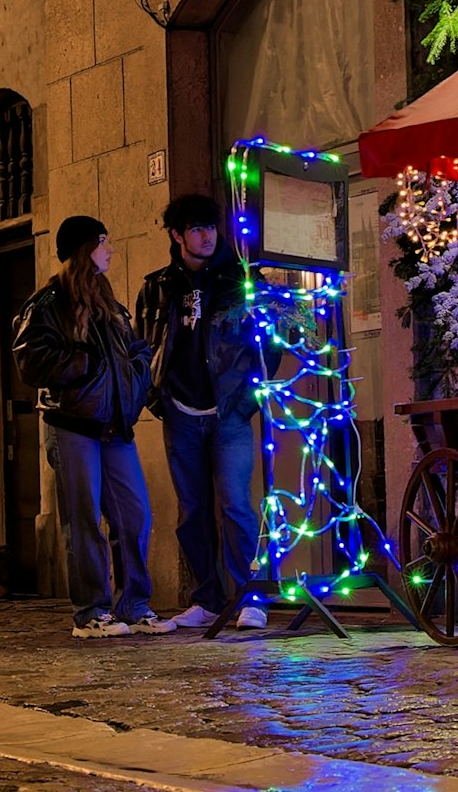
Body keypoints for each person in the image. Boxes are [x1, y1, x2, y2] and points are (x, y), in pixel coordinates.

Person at [17, 216, 159, 640]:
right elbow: (31, 359)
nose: (111, 249)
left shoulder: (109, 302)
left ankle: (134, 604)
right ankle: (91, 612)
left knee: (135, 516)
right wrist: (90, 367)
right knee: (82, 520)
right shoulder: (47, 304)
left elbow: (135, 349)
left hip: (115, 426)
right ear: (84, 249)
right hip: (73, 424)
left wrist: (136, 371)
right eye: (103, 241)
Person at [138, 192, 269, 632]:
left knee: (236, 505)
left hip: (229, 412)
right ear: (177, 235)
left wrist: (249, 397)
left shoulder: (239, 280)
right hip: (180, 411)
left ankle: (248, 597)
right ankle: (208, 598)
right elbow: (144, 348)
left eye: (211, 227)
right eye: (196, 228)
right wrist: (157, 399)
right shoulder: (156, 286)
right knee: (192, 510)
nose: (207, 236)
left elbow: (269, 344)